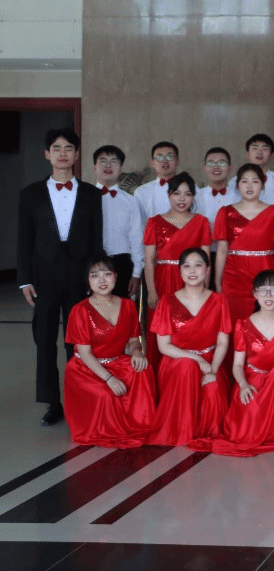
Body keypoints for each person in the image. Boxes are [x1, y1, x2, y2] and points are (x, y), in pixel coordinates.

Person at [18, 127, 103, 426]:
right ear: (47, 154)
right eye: (56, 148)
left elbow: (96, 239)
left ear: (77, 154)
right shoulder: (30, 194)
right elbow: (24, 239)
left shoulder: (92, 194)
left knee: (77, 342)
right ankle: (52, 402)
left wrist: (95, 279)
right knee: (44, 341)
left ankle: (78, 397)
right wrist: (25, 279)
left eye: (68, 148)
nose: (63, 153)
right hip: (44, 276)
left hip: (80, 275)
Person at [201, 270, 274, 457]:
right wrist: (243, 385)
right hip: (253, 384)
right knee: (247, 429)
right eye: (263, 290)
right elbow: (237, 365)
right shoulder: (243, 325)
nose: (268, 295)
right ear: (255, 294)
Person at [63, 255, 154, 448]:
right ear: (88, 280)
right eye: (95, 275)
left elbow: (133, 341)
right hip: (85, 369)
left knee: (143, 371)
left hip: (116, 362)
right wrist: (109, 379)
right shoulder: (80, 310)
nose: (102, 280)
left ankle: (141, 423)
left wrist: (137, 352)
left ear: (115, 276)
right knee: (107, 395)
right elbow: (85, 353)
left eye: (107, 274)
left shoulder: (128, 305)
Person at [147, 248, 233, 445]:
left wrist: (212, 370)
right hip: (176, 364)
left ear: (207, 269)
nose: (192, 271)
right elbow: (164, 346)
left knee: (212, 391)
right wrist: (196, 359)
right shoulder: (167, 301)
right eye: (186, 266)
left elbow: (222, 342)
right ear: (180, 271)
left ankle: (200, 431)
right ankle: (181, 430)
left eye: (198, 265)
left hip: (211, 362)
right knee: (186, 367)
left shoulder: (219, 301)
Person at [143, 173, 212, 373]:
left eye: (187, 194)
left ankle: (191, 374)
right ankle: (159, 379)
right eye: (176, 193)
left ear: (193, 197)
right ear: (168, 195)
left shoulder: (201, 222)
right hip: (163, 281)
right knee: (162, 330)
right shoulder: (154, 222)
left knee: (190, 329)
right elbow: (149, 260)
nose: (182, 199)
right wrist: (151, 292)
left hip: (192, 282)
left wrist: (205, 291)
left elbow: (206, 261)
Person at [213, 164, 274, 323]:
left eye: (255, 181)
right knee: (233, 318)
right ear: (237, 185)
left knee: (266, 320)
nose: (249, 186)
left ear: (262, 185)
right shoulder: (225, 213)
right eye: (244, 181)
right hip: (234, 277)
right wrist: (217, 281)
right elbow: (221, 250)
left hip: (265, 274)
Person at [92, 145, 144, 298]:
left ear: (121, 168)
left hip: (122, 264)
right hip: (91, 264)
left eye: (114, 161)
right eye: (103, 161)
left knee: (121, 308)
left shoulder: (131, 201)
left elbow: (136, 238)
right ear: (94, 167)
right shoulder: (83, 198)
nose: (108, 165)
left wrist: (136, 273)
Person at [133, 141, 181, 219]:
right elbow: (138, 223)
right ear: (153, 163)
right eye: (159, 157)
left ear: (177, 161)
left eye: (170, 156)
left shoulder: (191, 189)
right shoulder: (141, 192)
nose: (165, 161)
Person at [196, 147, 239, 230]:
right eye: (211, 163)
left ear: (230, 168)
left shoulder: (240, 196)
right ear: (204, 168)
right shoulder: (196, 197)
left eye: (222, 163)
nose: (216, 167)